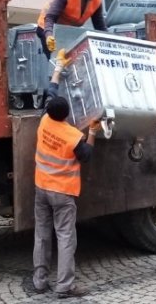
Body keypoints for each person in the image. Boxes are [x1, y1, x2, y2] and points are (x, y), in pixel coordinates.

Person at [32, 49, 100, 298]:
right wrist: (93, 131)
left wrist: (58, 68)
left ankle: (39, 281)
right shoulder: (72, 135)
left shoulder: (43, 121)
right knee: (65, 237)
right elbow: (87, 155)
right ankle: (65, 286)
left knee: (41, 235)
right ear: (67, 115)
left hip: (41, 188)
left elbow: (51, 92)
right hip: (62, 193)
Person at [36, 0, 108, 59]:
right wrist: (49, 35)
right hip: (47, 27)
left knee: (71, 62)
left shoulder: (97, 0)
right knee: (57, 61)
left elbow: (100, 28)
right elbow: (50, 17)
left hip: (67, 31)